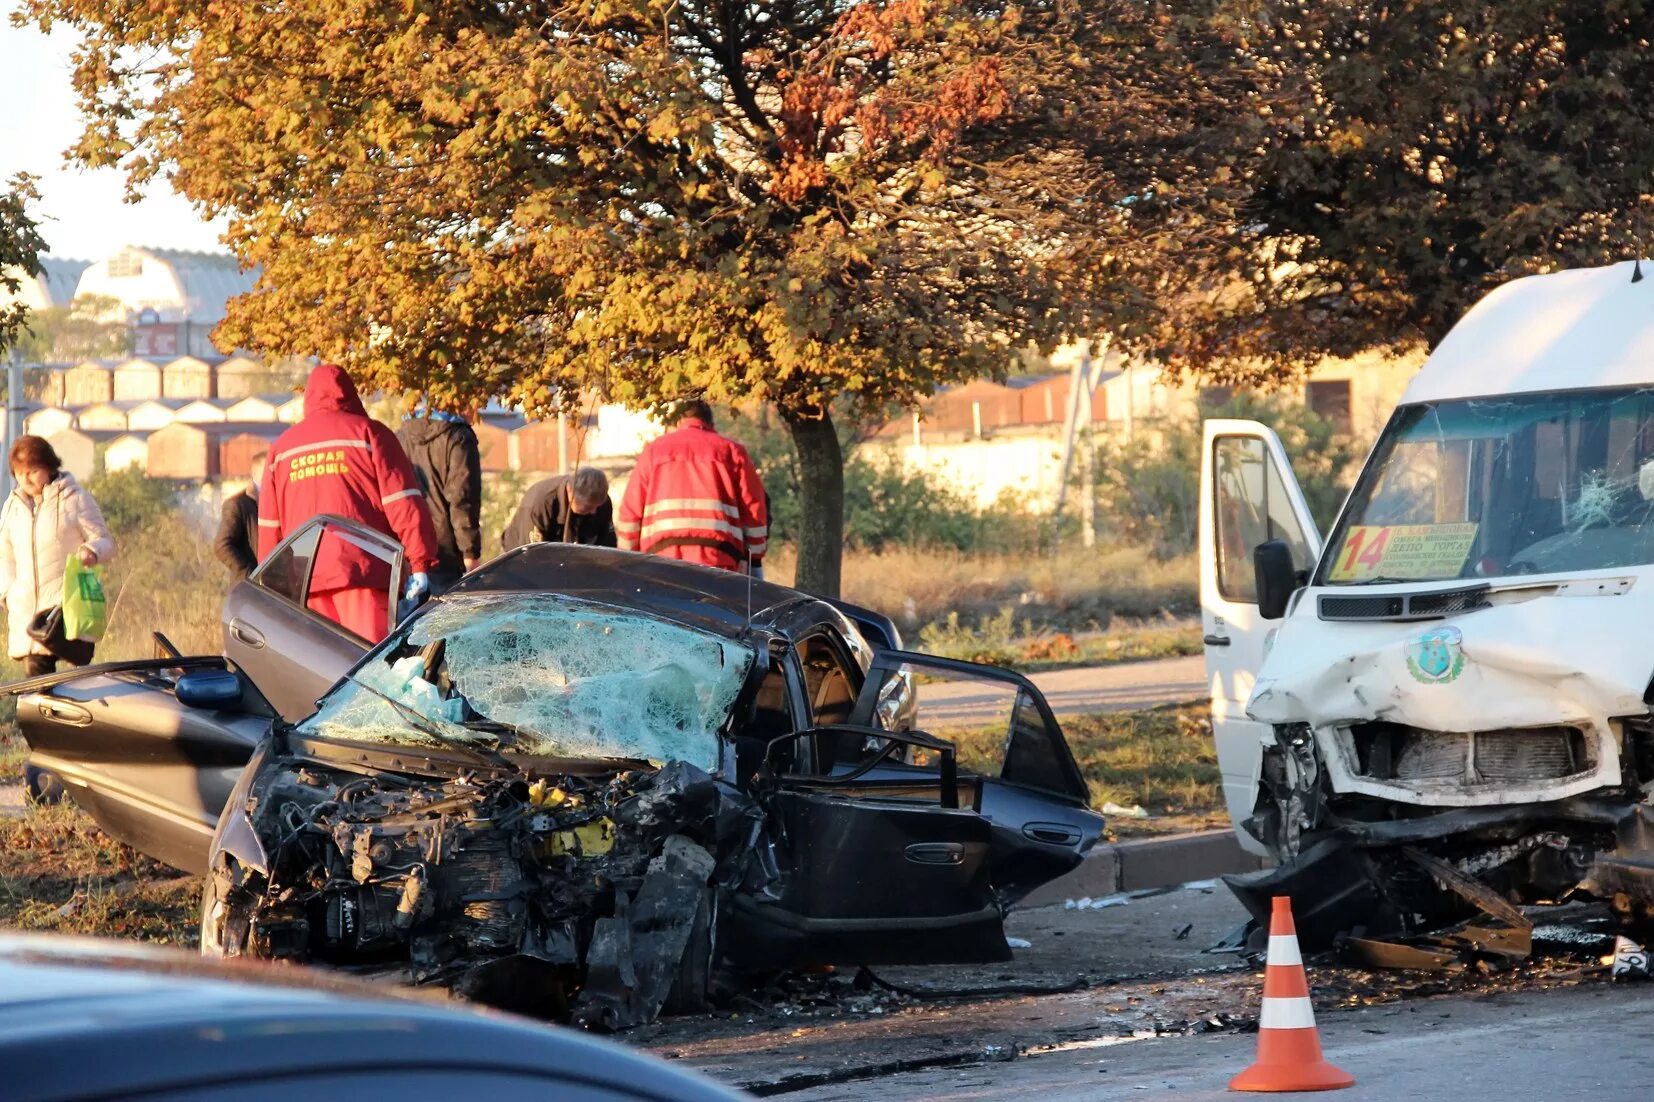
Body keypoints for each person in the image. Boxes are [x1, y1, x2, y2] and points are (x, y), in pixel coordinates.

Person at [258, 364, 440, 643]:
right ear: (351, 394)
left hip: (306, 583)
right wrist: (420, 563)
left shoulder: (282, 450)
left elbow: (270, 526)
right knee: (366, 668)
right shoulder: (370, 434)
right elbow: (403, 505)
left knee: (320, 670)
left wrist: (269, 585)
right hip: (365, 575)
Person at [0, 435, 115, 677]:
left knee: (75, 682)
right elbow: (5, 556)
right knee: (38, 684)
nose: (26, 478)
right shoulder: (13, 506)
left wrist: (92, 552)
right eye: (20, 473)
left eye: (33, 471)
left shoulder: (75, 498)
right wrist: (8, 593)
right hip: (29, 613)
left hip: (66, 606)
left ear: (49, 467)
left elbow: (105, 541)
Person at [617, 400, 768, 573]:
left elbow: (631, 511)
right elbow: (754, 508)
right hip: (720, 557)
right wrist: (752, 556)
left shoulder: (653, 451)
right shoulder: (732, 451)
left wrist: (628, 559)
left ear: (678, 422)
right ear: (710, 424)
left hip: (661, 559)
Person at [397, 404, 482, 593]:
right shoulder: (458, 438)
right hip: (446, 551)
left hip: (408, 546)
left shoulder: (400, 436)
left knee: (407, 619)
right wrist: (470, 553)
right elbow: (462, 498)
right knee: (450, 618)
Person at [501, 466, 617, 550]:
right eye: (588, 507)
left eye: (597, 507)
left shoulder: (602, 503)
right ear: (570, 492)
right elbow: (532, 555)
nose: (593, 512)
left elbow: (608, 546)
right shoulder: (540, 505)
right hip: (520, 556)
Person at [214, 450, 266, 581]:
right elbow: (222, 545)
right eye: (267, 470)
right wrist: (249, 572)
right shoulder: (237, 504)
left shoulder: (275, 501)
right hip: (250, 590)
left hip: (275, 589)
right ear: (254, 474)